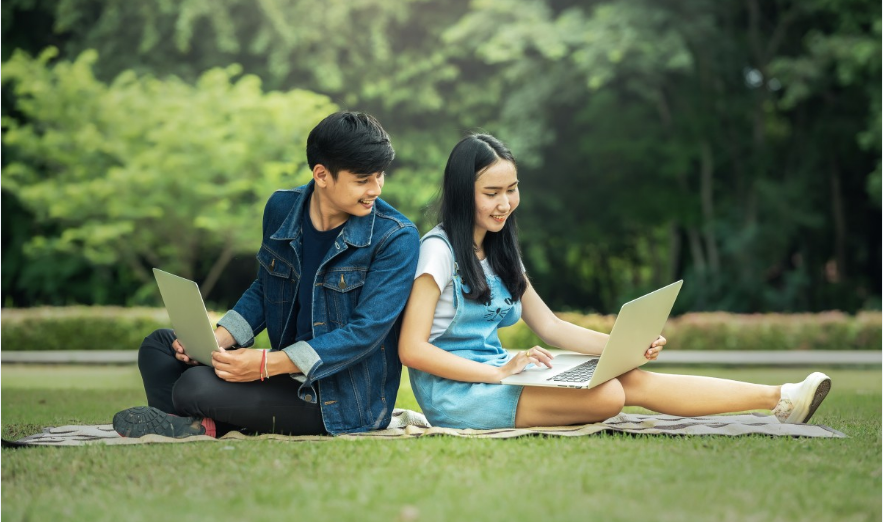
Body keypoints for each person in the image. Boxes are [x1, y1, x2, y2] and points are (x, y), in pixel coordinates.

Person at [398, 134, 831, 430]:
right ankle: (779, 399)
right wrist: (495, 374)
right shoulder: (437, 252)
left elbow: (550, 327)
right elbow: (412, 349)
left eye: (512, 189)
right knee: (608, 397)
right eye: (491, 193)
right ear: (461, 193)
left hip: (501, 374)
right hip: (459, 394)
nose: (506, 203)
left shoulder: (498, 248)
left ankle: (781, 398)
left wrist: (622, 348)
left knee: (630, 377)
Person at [114, 111, 420, 438]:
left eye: (379, 176)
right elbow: (265, 288)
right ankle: (196, 424)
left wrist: (266, 364)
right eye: (363, 180)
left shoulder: (396, 237)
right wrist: (218, 339)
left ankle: (197, 420)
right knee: (160, 346)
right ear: (321, 174)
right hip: (282, 376)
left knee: (194, 385)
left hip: (339, 398)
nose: (376, 189)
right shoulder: (281, 209)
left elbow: (365, 333)